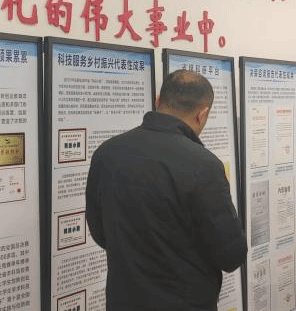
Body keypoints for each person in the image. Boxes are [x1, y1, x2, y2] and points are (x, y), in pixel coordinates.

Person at [85, 69, 246, 311]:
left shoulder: (107, 153)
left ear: (158, 101)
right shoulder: (204, 165)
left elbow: (99, 232)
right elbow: (231, 255)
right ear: (202, 114)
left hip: (123, 301)